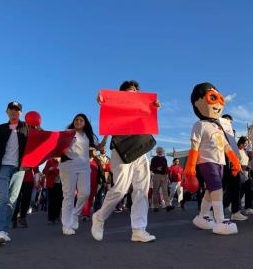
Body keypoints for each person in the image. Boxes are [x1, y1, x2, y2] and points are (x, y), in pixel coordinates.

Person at [91, 80, 159, 243]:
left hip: (140, 149)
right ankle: (99, 217)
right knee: (120, 189)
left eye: (135, 90)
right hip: (122, 149)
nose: (133, 92)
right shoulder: (117, 106)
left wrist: (154, 107)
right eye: (129, 90)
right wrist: (102, 100)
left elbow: (149, 120)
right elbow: (106, 111)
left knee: (141, 191)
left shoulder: (142, 107)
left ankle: (138, 229)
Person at [184, 82, 241, 235]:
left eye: (220, 98)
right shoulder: (199, 125)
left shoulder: (218, 126)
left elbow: (226, 147)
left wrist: (235, 161)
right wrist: (190, 167)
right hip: (206, 161)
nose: (217, 103)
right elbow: (194, 147)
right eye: (212, 97)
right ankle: (220, 220)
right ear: (198, 102)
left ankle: (202, 216)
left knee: (211, 190)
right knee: (217, 188)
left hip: (220, 162)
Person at [59, 113, 98, 235]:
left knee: (85, 192)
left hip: (84, 167)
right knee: (68, 195)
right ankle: (66, 226)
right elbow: (57, 143)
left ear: (85, 123)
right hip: (68, 166)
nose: (78, 122)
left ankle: (75, 214)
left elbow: (98, 147)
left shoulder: (89, 136)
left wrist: (107, 136)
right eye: (76, 120)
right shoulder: (67, 132)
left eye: (81, 120)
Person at [0, 101, 29, 244]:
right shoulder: (0, 129)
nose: (14, 112)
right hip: (2, 167)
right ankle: (1, 230)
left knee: (12, 200)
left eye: (17, 110)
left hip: (19, 169)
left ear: (20, 113)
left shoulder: (27, 129)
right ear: (7, 111)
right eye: (11, 109)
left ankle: (2, 229)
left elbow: (39, 142)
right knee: (2, 198)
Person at [220, 114, 248, 221]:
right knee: (219, 189)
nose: (228, 123)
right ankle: (211, 210)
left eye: (230, 122)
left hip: (233, 164)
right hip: (222, 163)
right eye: (226, 121)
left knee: (236, 187)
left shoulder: (232, 132)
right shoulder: (217, 130)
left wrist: (237, 162)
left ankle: (235, 211)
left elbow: (234, 148)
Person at [236, 136, 253, 215]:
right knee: (240, 190)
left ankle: (248, 207)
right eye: (245, 143)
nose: (246, 145)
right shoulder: (237, 150)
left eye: (247, 144)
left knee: (250, 187)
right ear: (241, 142)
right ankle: (233, 205)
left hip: (247, 171)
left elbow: (248, 159)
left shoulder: (244, 151)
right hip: (239, 171)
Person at [150, 147, 174, 212]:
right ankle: (156, 206)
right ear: (157, 152)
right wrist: (156, 169)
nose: (160, 152)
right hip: (156, 175)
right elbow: (151, 168)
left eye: (161, 151)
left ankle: (168, 205)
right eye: (159, 151)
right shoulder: (153, 159)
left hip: (164, 176)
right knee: (155, 191)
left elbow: (166, 168)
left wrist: (166, 176)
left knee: (165, 191)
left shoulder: (164, 159)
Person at [43, 158, 63, 224]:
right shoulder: (50, 161)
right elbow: (45, 171)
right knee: (51, 201)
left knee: (59, 201)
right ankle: (51, 218)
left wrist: (54, 169)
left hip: (61, 184)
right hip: (52, 184)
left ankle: (57, 216)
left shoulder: (64, 160)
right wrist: (49, 169)